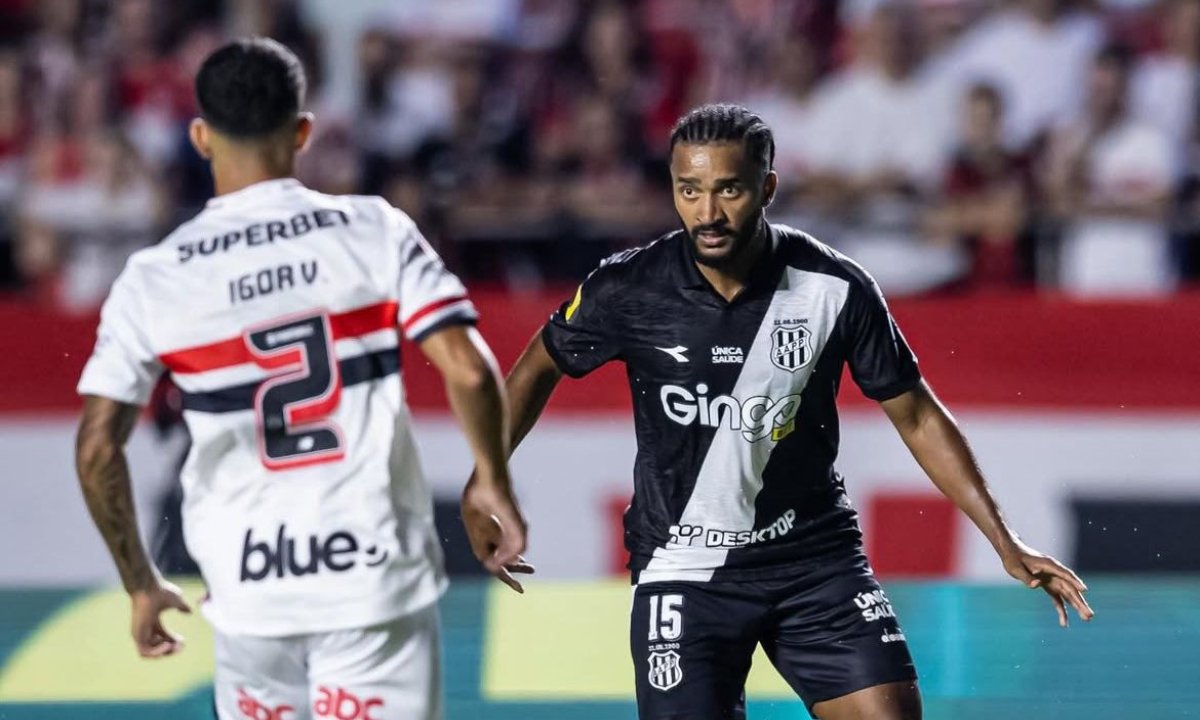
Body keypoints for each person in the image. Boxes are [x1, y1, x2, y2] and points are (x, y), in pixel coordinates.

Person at [492, 104, 1093, 720]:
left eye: (728, 189)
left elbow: (915, 415)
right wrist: (487, 478)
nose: (708, 213)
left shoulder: (833, 287)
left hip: (815, 563)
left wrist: (1003, 538)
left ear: (767, 187)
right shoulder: (628, 287)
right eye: (689, 190)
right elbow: (540, 364)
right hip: (684, 570)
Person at [73, 38, 528, 720]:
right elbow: (466, 365)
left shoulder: (154, 277)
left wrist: (140, 582)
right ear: (304, 131)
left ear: (201, 137)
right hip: (371, 576)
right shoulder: (373, 228)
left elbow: (97, 449)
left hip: (250, 592)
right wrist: (491, 478)